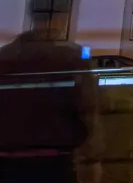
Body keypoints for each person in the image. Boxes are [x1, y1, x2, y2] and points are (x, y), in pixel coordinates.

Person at [0, 15, 100, 182]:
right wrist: (93, 156)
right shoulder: (71, 57)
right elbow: (88, 109)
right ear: (61, 20)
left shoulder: (5, 55)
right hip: (53, 162)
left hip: (6, 161)